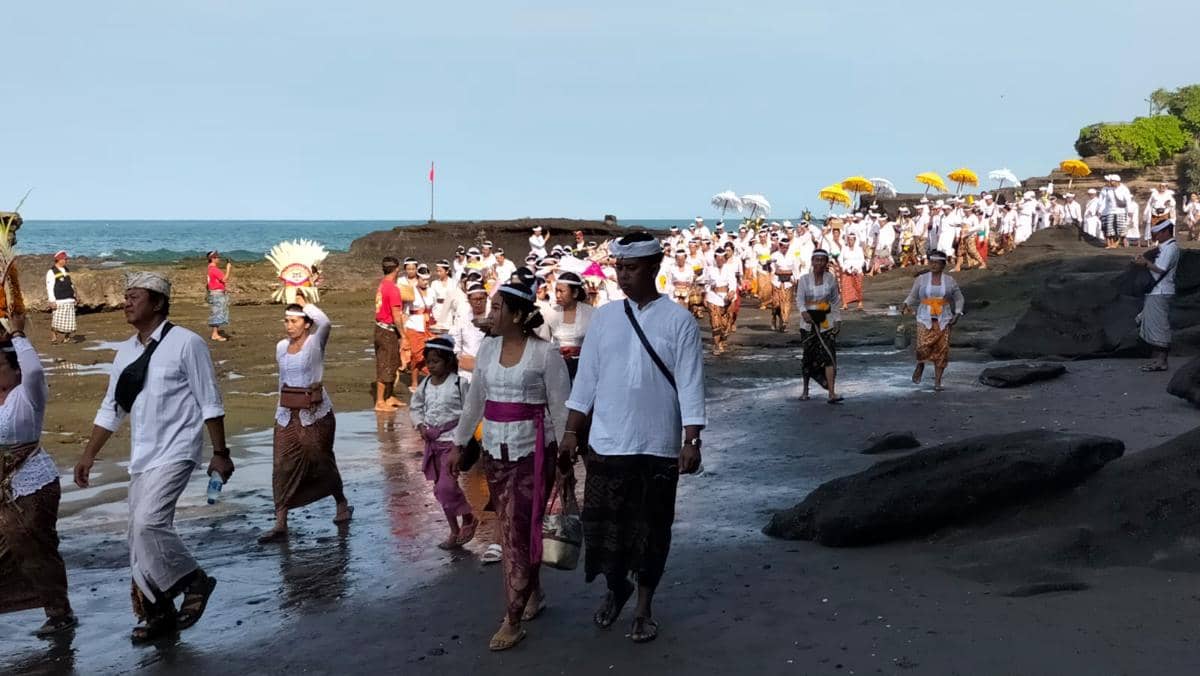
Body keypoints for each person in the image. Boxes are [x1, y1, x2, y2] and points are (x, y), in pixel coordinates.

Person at [559, 231, 706, 645]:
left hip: (658, 446)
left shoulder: (679, 321)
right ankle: (615, 588)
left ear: (654, 268)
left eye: (631, 268)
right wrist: (571, 432)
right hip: (606, 444)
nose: (623, 275)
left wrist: (691, 440)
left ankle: (643, 606)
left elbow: (691, 384)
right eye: (619, 268)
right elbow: (585, 382)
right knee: (604, 529)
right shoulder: (604, 318)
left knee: (652, 530)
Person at [74, 272, 232, 642]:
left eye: (135, 297)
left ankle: (194, 581)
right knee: (136, 538)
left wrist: (221, 453)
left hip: (178, 452)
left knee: (148, 524)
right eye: (125, 297)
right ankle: (159, 613)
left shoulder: (187, 343)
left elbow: (210, 400)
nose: (126, 303)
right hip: (142, 457)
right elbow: (112, 408)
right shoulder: (126, 351)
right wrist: (88, 455)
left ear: (158, 303)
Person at [449, 282, 571, 651]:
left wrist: (568, 455)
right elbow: (475, 401)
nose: (490, 314)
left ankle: (512, 618)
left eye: (498, 307)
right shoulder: (487, 349)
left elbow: (561, 407)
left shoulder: (545, 354)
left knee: (517, 533)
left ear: (517, 315)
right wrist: (459, 442)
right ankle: (532, 592)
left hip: (534, 453)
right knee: (512, 523)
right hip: (494, 452)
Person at [0, 313, 77, 636]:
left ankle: (59, 612)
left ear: (15, 370)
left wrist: (17, 334)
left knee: (36, 546)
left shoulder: (28, 393)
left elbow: (34, 369)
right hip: (6, 488)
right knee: (9, 549)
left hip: (35, 482)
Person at [258, 296, 352, 543]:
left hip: (314, 414)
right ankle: (281, 522)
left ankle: (340, 501)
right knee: (281, 465)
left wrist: (304, 302)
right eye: (286, 321)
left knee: (320, 460)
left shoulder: (315, 343)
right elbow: (282, 380)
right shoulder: (281, 346)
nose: (289, 326)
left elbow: (326, 322)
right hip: (287, 413)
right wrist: (279, 410)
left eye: (294, 321)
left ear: (306, 324)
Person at [411, 336, 477, 550]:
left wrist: (464, 441)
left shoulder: (460, 384)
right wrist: (420, 426)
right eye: (429, 362)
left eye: (436, 361)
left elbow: (469, 412)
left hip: (452, 443)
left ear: (448, 362)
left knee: (445, 486)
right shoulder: (425, 385)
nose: (431, 366)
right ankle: (454, 530)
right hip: (433, 444)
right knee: (441, 491)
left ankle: (468, 516)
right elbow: (416, 407)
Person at [902, 251, 965, 391]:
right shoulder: (921, 279)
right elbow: (913, 295)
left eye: (937, 263)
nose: (933, 265)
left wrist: (958, 313)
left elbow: (959, 298)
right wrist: (906, 304)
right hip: (925, 317)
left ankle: (937, 381)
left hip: (944, 318)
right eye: (931, 262)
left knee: (942, 350)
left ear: (943, 265)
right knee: (922, 346)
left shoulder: (950, 281)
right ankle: (920, 363)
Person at [796, 250, 842, 403]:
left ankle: (831, 392)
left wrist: (838, 319)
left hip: (825, 320)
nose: (820, 263)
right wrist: (804, 312)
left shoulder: (830, 279)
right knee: (808, 356)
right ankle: (805, 390)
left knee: (829, 355)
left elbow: (835, 301)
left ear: (826, 262)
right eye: (817, 260)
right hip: (808, 322)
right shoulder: (804, 280)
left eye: (823, 260)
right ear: (812, 261)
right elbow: (800, 300)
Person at [1135, 217, 1180, 372]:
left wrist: (1145, 263)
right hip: (1155, 291)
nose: (1157, 237)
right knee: (1153, 325)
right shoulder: (1164, 247)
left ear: (1167, 232)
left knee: (1159, 327)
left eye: (1159, 233)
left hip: (1161, 290)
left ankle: (1162, 361)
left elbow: (1160, 268)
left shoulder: (1171, 248)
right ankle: (1158, 360)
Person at [541, 271, 594, 379]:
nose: (558, 295)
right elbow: (543, 344)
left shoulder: (591, 313)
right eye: (556, 291)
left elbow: (597, 345)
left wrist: (579, 351)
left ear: (574, 293)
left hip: (584, 368)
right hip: (557, 368)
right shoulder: (550, 313)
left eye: (562, 291)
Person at [374, 256, 405, 411]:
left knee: (392, 363)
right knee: (385, 364)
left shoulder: (383, 285)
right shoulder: (393, 289)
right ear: (397, 269)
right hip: (387, 329)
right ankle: (380, 401)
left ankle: (389, 395)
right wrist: (403, 335)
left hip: (381, 327)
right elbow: (396, 315)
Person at [404, 264, 437, 390]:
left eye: (427, 279)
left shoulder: (432, 291)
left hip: (429, 326)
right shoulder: (411, 291)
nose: (425, 282)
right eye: (423, 279)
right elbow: (406, 311)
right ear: (417, 278)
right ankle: (414, 382)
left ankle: (432, 378)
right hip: (414, 326)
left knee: (430, 353)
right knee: (416, 355)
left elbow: (434, 309)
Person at [703, 246, 739, 355]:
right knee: (715, 323)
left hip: (726, 298)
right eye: (718, 259)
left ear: (724, 259)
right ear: (715, 259)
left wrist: (732, 292)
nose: (720, 261)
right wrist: (706, 295)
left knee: (725, 325)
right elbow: (706, 284)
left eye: (722, 259)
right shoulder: (709, 269)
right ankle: (716, 345)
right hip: (713, 298)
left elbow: (733, 283)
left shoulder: (729, 268)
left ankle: (722, 340)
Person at [45, 250, 77, 344]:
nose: (66, 261)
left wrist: (74, 296)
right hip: (59, 299)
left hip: (69, 298)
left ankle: (67, 338)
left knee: (69, 321)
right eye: (64, 259)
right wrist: (52, 300)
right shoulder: (51, 272)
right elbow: (49, 287)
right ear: (58, 260)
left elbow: (70, 284)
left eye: (66, 259)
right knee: (56, 320)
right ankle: (54, 338)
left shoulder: (66, 270)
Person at [1097, 175, 1133, 249]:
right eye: (1111, 181)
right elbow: (1101, 200)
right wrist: (1099, 210)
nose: (1111, 183)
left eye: (1113, 181)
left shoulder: (1124, 189)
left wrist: (1129, 210)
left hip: (1121, 211)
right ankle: (1111, 243)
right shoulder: (1106, 189)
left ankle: (1117, 243)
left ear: (1117, 181)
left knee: (1120, 228)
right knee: (1109, 228)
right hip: (1109, 211)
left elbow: (1128, 200)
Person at [205, 252, 231, 342]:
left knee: (217, 312)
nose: (219, 259)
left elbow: (212, 282)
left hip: (214, 292)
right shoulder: (214, 269)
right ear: (213, 259)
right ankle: (215, 334)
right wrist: (228, 269)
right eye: (217, 257)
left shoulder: (209, 268)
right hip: (217, 293)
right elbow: (224, 279)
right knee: (217, 313)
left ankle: (215, 333)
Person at [838, 233, 866, 311]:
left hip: (857, 270)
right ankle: (845, 303)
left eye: (852, 240)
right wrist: (845, 268)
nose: (850, 242)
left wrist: (857, 268)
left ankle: (859, 302)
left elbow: (862, 260)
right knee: (845, 286)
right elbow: (840, 259)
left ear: (854, 240)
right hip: (847, 270)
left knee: (858, 286)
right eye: (849, 240)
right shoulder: (844, 248)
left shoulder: (859, 249)